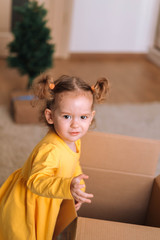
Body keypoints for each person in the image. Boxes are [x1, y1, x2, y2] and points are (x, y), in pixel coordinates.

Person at [0, 74, 109, 240]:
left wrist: (76, 189)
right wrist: (67, 187)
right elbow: (36, 181)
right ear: (50, 116)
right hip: (28, 205)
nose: (75, 124)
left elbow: (74, 166)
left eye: (83, 117)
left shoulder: (74, 140)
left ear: (91, 117)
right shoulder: (50, 150)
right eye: (66, 116)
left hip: (49, 196)